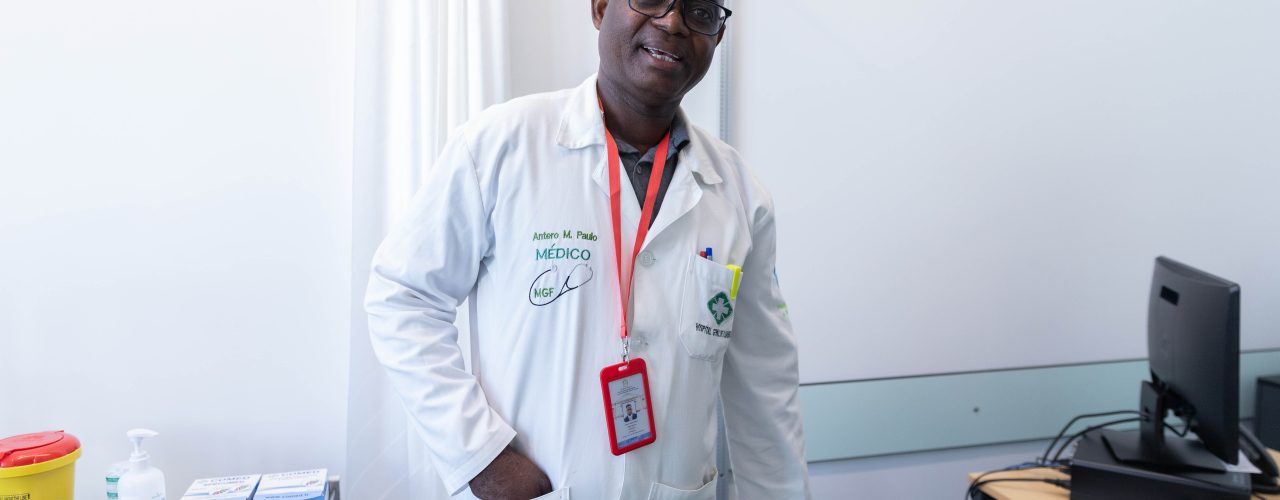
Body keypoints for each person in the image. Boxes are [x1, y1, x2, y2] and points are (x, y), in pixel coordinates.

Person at [365, 0, 810, 498]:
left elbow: (766, 392)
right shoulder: (500, 145)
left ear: (717, 36)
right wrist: (480, 455)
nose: (672, 22)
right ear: (600, 8)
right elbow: (403, 297)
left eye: (700, 11)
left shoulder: (740, 196)